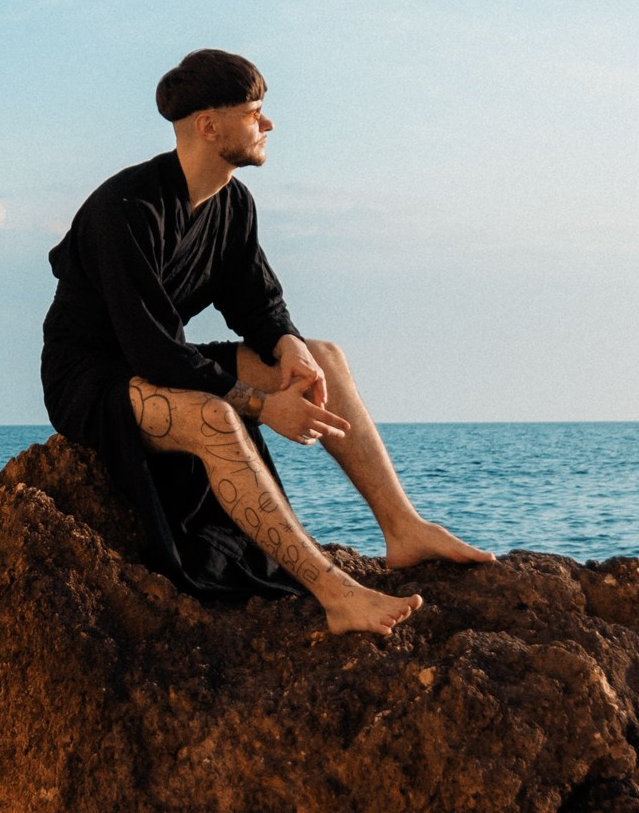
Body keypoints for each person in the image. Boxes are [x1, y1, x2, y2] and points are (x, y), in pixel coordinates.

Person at [41, 48, 491, 635]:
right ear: (209, 124)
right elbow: (150, 346)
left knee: (325, 356)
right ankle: (336, 594)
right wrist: (261, 405)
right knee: (215, 417)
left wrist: (289, 344)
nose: (268, 123)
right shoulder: (126, 208)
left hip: (158, 361)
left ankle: (402, 528)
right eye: (255, 112)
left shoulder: (233, 204)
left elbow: (257, 303)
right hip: (93, 380)